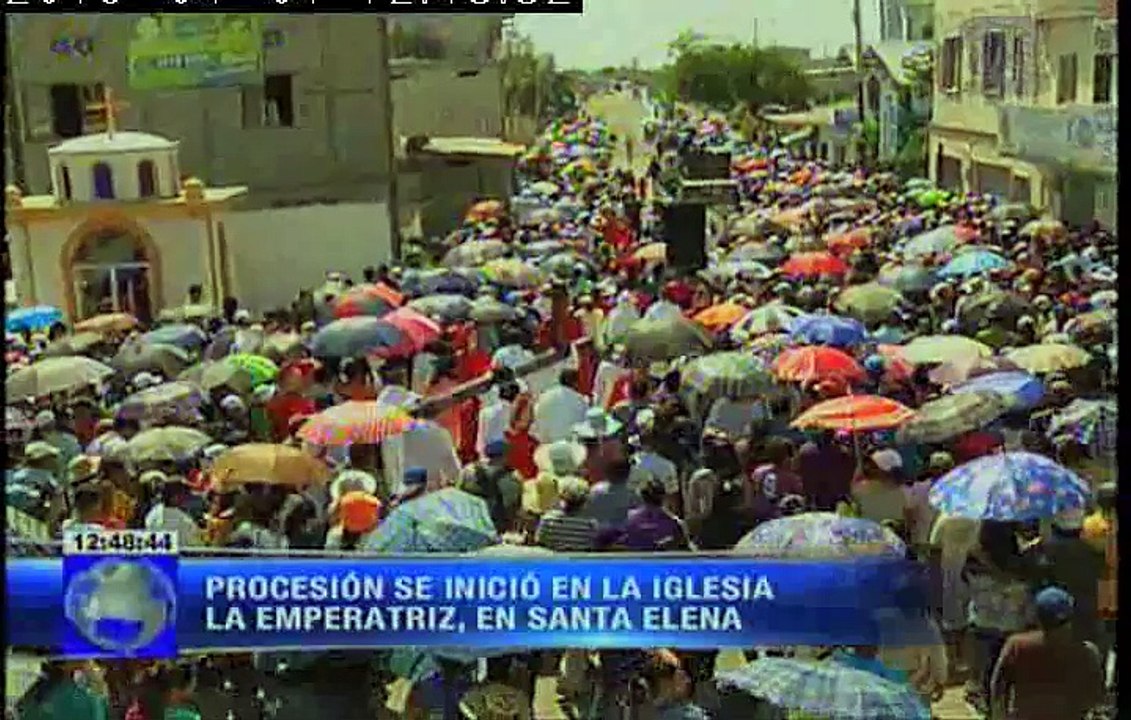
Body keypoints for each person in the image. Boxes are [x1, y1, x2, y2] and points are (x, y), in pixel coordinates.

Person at [989, 586, 1105, 720]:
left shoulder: (1017, 645)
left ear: (1037, 617)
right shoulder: (1086, 653)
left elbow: (997, 688)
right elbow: (1097, 698)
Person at [458, 440, 521, 534]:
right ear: (504, 456)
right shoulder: (509, 477)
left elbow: (459, 492)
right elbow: (511, 505)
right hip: (494, 525)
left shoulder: (468, 470)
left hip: (470, 520)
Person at [142, 472, 203, 547]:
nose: (184, 497)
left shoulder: (151, 514)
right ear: (175, 497)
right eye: (182, 493)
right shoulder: (185, 521)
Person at [531, 368, 590, 444]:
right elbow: (585, 422)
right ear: (575, 383)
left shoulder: (545, 395)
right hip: (571, 443)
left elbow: (536, 413)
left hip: (547, 443)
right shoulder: (579, 399)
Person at [581, 456, 639, 532]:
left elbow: (587, 514)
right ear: (628, 474)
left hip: (598, 534)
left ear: (608, 473)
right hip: (621, 537)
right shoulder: (634, 495)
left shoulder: (596, 490)